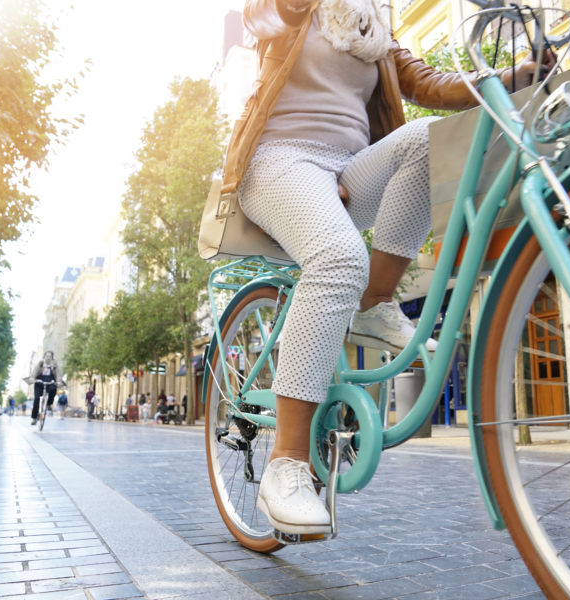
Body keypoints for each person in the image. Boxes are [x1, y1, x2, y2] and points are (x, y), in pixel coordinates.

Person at [228, 0, 550, 535]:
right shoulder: (288, 9)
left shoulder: (370, 22)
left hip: (348, 172)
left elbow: (428, 84)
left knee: (429, 142)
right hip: (280, 163)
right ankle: (286, 465)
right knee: (338, 257)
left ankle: (375, 303)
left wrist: (509, 78)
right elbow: (264, 16)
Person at [25, 351, 62, 425]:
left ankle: (48, 404)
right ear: (44, 357)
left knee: (53, 389)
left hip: (50, 382)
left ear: (52, 358)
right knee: (36, 399)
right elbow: (34, 372)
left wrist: (58, 381)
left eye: (50, 356)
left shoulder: (55, 366)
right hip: (39, 383)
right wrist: (32, 378)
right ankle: (34, 418)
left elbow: (58, 374)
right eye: (47, 356)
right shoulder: (40, 364)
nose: (48, 357)